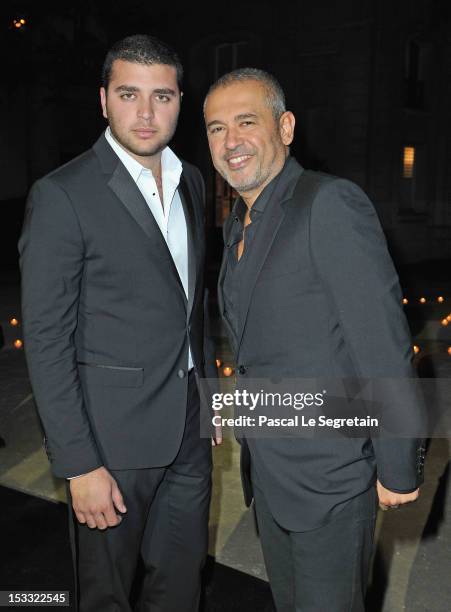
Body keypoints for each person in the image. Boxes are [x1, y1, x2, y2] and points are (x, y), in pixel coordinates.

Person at [204, 68, 425, 611]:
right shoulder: (238, 223)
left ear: (286, 127)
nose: (229, 141)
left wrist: (396, 465)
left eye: (245, 122)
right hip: (272, 474)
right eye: (214, 128)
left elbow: (382, 343)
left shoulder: (328, 204)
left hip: (331, 475)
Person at [19, 34, 219, 612]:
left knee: (181, 584)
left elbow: (191, 305)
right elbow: (48, 339)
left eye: (163, 96)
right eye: (130, 94)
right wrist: (78, 463)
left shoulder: (193, 183)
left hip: (189, 428)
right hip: (110, 439)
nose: (147, 112)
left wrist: (206, 396)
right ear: (104, 100)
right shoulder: (63, 194)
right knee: (106, 596)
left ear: (181, 100)